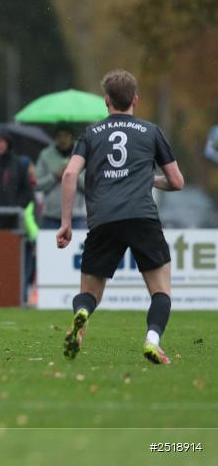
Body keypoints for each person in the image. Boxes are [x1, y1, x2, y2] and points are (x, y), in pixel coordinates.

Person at [58, 70, 184, 365]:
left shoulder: (90, 134)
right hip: (142, 217)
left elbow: (69, 173)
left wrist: (65, 222)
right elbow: (176, 181)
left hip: (104, 219)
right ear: (135, 100)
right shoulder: (151, 131)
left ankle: (83, 314)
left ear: (107, 101)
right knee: (160, 290)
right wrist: (146, 179)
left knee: (89, 292)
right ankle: (152, 341)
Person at [35, 124, 86, 229]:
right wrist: (54, 176)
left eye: (66, 136)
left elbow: (89, 186)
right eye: (60, 136)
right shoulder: (45, 155)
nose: (63, 139)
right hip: (51, 216)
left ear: (72, 137)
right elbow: (37, 185)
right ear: (55, 138)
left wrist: (72, 174)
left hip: (77, 217)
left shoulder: (84, 154)